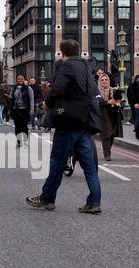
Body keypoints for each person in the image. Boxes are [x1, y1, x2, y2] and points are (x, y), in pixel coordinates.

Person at [28, 39, 103, 214]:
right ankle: (94, 202)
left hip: (67, 120)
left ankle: (47, 199)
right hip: (84, 121)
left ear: (63, 53)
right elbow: (93, 92)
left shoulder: (66, 66)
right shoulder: (85, 67)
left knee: (57, 162)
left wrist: (48, 102)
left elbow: (57, 88)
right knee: (89, 166)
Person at [95, 70, 122, 161]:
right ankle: (107, 153)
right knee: (105, 133)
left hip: (114, 114)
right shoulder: (96, 91)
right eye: (102, 80)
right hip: (102, 114)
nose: (104, 81)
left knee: (112, 134)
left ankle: (108, 150)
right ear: (99, 81)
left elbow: (118, 100)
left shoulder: (113, 90)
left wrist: (118, 101)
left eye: (106, 79)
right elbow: (96, 103)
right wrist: (108, 102)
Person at [9, 74, 33, 147]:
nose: (20, 80)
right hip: (16, 109)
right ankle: (18, 142)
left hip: (25, 110)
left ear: (24, 80)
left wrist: (32, 108)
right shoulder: (14, 88)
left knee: (24, 126)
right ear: (17, 80)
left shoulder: (28, 88)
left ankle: (25, 141)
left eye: (22, 79)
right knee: (17, 126)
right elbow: (11, 98)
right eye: (19, 79)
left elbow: (32, 99)